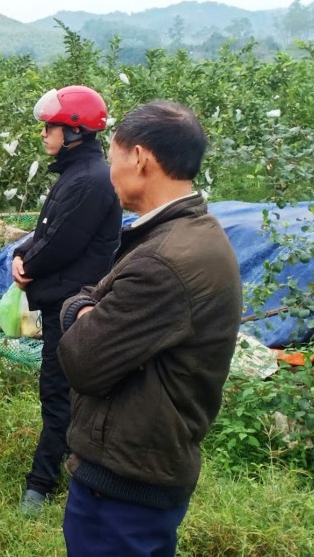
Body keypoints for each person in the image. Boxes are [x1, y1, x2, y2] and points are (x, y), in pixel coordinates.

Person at [58, 101, 242, 556]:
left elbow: (82, 357)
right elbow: (96, 306)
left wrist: (78, 311)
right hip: (144, 470)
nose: (110, 170)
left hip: (124, 483)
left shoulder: (166, 260)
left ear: (139, 158)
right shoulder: (187, 236)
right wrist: (89, 308)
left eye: (114, 157)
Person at [12, 85, 122, 513]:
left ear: (73, 131)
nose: (44, 134)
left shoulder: (89, 181)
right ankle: (68, 465)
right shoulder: (78, 175)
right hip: (65, 299)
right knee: (64, 390)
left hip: (74, 306)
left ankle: (41, 485)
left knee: (59, 391)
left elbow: (62, 243)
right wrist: (23, 252)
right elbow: (46, 233)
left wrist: (27, 265)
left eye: (49, 127)